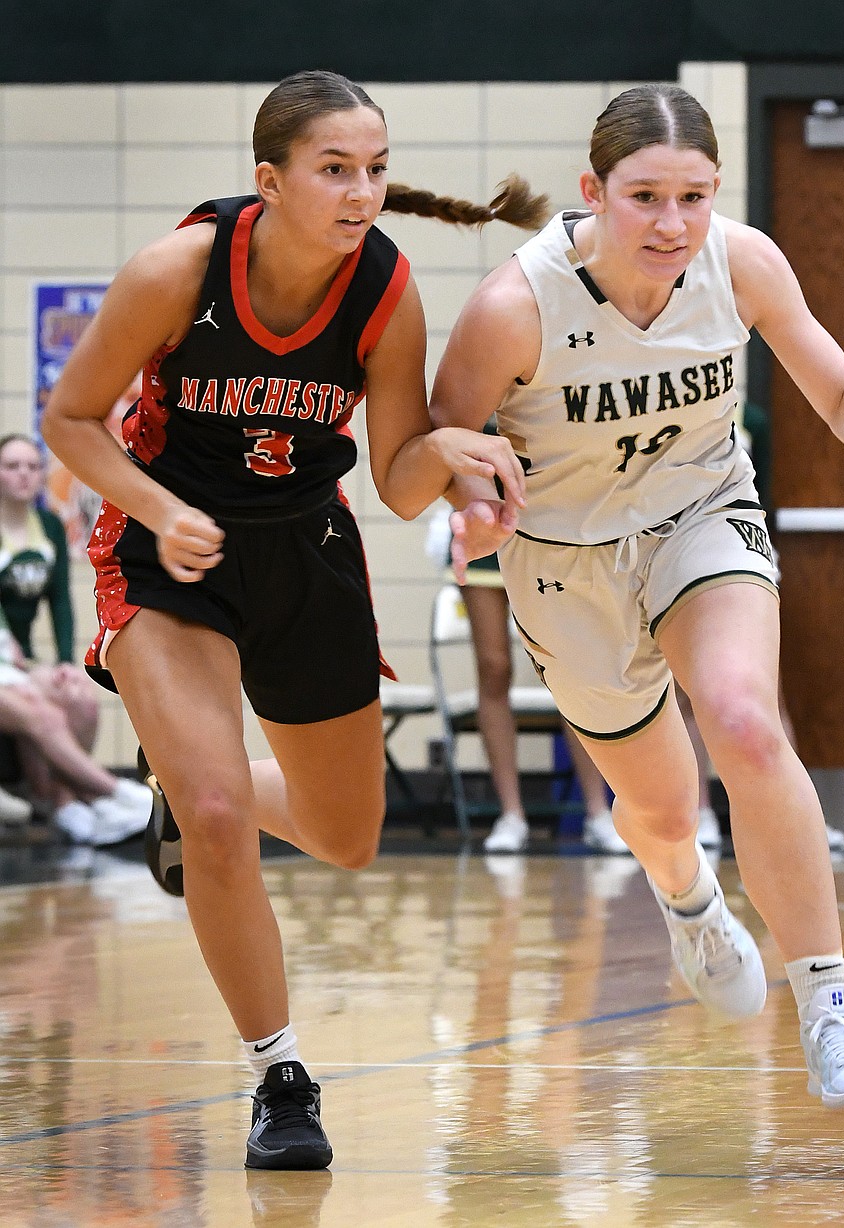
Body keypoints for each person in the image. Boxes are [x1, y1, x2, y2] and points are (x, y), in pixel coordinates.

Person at [429, 83, 844, 1107]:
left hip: (699, 513)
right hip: (563, 558)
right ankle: (688, 900)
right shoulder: (515, 307)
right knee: (657, 804)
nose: (671, 223)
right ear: (592, 190)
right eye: (645, 197)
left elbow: (831, 386)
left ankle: (828, 1009)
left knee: (740, 719)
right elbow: (444, 447)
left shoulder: (740, 261)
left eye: (693, 195)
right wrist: (467, 506)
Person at [41, 69, 545, 1170]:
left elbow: (397, 477)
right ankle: (279, 1074)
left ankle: (184, 789)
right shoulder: (181, 270)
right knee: (225, 818)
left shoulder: (384, 288)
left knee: (347, 837)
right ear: (269, 181)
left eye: (373, 168)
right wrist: (163, 510)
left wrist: (456, 465)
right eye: (334, 170)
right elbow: (70, 420)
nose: (361, 190)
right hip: (170, 552)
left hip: (307, 551)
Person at [678, 400, 844, 855]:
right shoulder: (656, 402)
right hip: (670, 557)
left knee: (767, 697)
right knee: (685, 697)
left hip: (740, 549)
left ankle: (795, 822)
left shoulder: (751, 420)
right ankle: (700, 815)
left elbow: (760, 493)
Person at [0, 433, 147, 843]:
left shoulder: (46, 525)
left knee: (79, 696)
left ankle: (67, 805)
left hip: (18, 661)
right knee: (40, 712)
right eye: (12, 466)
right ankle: (113, 793)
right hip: (3, 658)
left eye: (32, 466)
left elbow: (61, 601)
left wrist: (65, 660)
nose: (24, 475)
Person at [457, 543, 627, 854]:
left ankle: (598, 812)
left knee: (570, 670)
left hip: (546, 534)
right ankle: (511, 815)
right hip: (482, 538)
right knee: (493, 669)